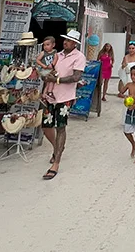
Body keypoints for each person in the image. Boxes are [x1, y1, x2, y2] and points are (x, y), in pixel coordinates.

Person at [41, 30, 87, 180]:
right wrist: (47, 77)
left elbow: (76, 77)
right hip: (50, 95)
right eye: (65, 40)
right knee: (46, 126)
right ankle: (57, 148)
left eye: (68, 40)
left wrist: (58, 81)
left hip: (65, 97)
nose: (65, 42)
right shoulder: (58, 55)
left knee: (60, 127)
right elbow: (51, 70)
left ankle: (56, 163)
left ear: (74, 43)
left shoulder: (79, 57)